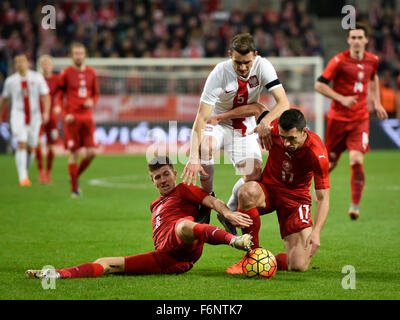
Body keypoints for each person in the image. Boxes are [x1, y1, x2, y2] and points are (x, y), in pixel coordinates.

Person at [26, 156, 253, 279]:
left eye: (166, 174)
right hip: (165, 257)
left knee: (184, 225)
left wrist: (227, 213)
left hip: (183, 240)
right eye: (157, 177)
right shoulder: (154, 205)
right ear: (152, 181)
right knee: (106, 263)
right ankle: (56, 273)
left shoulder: (183, 189)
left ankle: (235, 241)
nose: (163, 180)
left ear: (174, 173)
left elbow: (211, 201)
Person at [181, 33, 289, 233]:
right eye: (237, 62)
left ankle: (228, 210)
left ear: (255, 56)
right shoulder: (219, 73)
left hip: (244, 126)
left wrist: (265, 121)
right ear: (230, 55)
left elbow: (283, 103)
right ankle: (207, 200)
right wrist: (194, 157)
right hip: (218, 122)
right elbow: (201, 117)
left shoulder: (263, 66)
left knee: (254, 175)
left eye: (247, 62)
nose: (242, 68)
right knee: (204, 149)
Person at [225, 109, 330, 273]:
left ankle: (266, 260)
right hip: (268, 189)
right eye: (283, 137)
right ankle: (252, 257)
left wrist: (316, 232)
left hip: (296, 200)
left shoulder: (317, 154)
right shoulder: (272, 128)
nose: (286, 143)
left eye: (292, 138)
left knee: (298, 265)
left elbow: (323, 198)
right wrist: (263, 122)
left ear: (304, 132)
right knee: (246, 192)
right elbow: (256, 107)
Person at [314, 24, 388, 220]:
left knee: (356, 160)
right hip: (338, 119)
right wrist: (341, 98)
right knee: (329, 163)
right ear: (348, 40)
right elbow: (319, 84)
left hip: (360, 119)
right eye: (353, 37)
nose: (356, 41)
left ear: (366, 40)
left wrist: (377, 102)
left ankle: (355, 204)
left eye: (359, 37)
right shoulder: (338, 61)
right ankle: (312, 187)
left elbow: (373, 78)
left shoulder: (373, 60)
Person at [0, 54, 50, 186]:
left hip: (35, 116)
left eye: (22, 61)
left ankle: (25, 171)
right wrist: (0, 116)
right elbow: (4, 100)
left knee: (31, 147)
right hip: (18, 115)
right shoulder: (10, 81)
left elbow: (46, 95)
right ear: (15, 65)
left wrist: (46, 112)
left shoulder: (37, 77)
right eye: (17, 62)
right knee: (21, 143)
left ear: (28, 63)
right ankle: (22, 177)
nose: (20, 64)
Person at [58, 42, 99, 197]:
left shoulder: (91, 73)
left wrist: (92, 101)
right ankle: (74, 189)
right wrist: (64, 113)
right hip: (72, 119)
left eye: (81, 53)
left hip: (87, 118)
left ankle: (74, 176)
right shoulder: (65, 73)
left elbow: (96, 94)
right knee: (74, 153)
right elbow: (60, 96)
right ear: (71, 55)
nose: (78, 56)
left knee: (92, 152)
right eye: (75, 53)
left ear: (85, 55)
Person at [35, 55, 62, 184]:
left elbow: (61, 95)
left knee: (51, 146)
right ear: (41, 66)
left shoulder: (57, 79)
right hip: (37, 116)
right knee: (38, 143)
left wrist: (58, 106)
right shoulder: (36, 80)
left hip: (52, 117)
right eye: (43, 64)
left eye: (48, 64)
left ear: (52, 66)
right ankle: (41, 172)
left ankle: (48, 172)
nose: (46, 66)